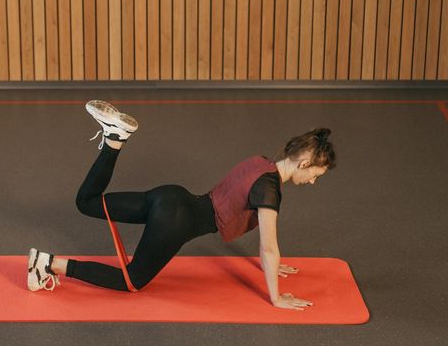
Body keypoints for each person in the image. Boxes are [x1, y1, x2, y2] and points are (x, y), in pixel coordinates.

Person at [27, 100, 336, 311]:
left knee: (87, 202)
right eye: (316, 175)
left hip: (172, 197)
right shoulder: (270, 190)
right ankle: (48, 264)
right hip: (174, 221)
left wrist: (272, 265)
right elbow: (268, 247)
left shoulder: (261, 164)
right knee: (131, 281)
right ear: (306, 162)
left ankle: (114, 140)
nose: (313, 181)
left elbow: (242, 210)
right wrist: (278, 297)